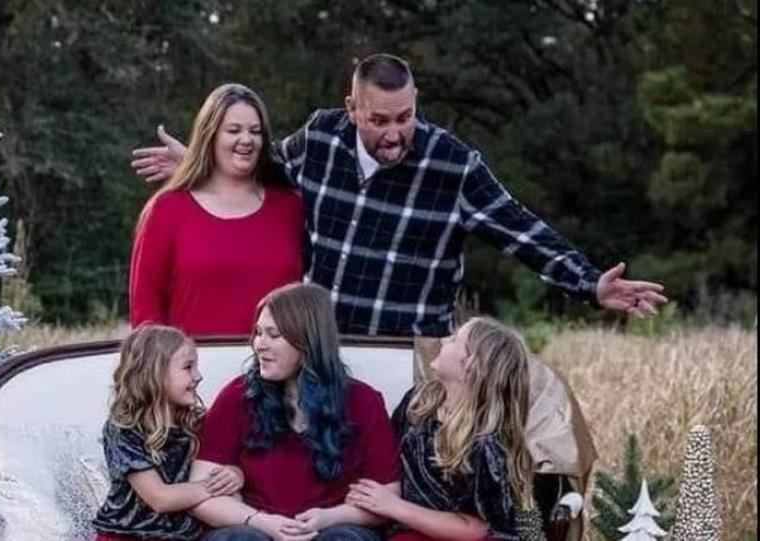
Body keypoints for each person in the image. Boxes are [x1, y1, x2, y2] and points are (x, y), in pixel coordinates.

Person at [130, 54, 668, 377]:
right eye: (379, 120)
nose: (394, 133)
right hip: (327, 354)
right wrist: (202, 164)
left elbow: (519, 228)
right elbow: (265, 169)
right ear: (351, 110)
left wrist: (590, 283)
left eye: (406, 117)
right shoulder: (320, 139)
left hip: (414, 357)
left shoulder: (450, 164)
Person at [188, 283, 401, 541]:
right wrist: (262, 522)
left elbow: (388, 496)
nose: (259, 345)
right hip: (253, 525)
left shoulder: (363, 402)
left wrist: (327, 518)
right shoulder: (238, 396)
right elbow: (198, 493)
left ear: (308, 341)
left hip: (333, 526)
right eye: (258, 333)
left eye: (273, 334)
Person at [346, 317, 545, 541]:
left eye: (455, 340)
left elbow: (479, 529)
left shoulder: (487, 444)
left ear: (473, 366)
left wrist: (395, 507)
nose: (443, 340)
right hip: (410, 528)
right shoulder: (419, 403)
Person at [129, 84, 303, 336]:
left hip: (276, 371)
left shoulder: (290, 207)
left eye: (255, 131)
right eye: (233, 130)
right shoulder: (167, 209)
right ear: (210, 135)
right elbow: (145, 314)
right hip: (196, 369)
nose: (246, 139)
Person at [93, 325, 244, 541]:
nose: (198, 376)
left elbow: (221, 461)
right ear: (155, 373)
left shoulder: (198, 422)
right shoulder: (124, 428)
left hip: (183, 536)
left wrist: (234, 474)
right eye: (188, 367)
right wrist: (215, 487)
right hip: (128, 536)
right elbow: (159, 498)